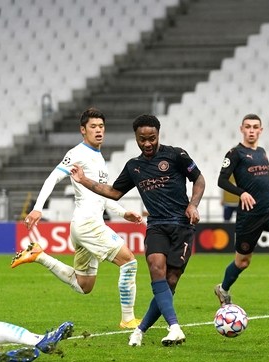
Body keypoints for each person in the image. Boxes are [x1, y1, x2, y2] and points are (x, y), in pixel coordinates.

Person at [70, 114, 205, 347]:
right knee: (155, 267)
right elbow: (113, 192)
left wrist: (193, 204)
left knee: (170, 281)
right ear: (136, 138)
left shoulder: (176, 155)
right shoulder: (134, 166)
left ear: (158, 135)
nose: (147, 143)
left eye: (151, 138)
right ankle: (174, 327)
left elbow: (199, 179)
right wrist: (83, 181)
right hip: (156, 226)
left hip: (182, 227)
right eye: (142, 139)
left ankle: (140, 331)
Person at [12, 108, 143, 330]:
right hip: (88, 224)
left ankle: (39, 256)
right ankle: (128, 319)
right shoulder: (78, 153)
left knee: (84, 285)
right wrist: (37, 208)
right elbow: (53, 177)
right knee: (129, 262)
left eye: (101, 126)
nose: (98, 130)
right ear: (83, 130)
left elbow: (101, 194)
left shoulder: (99, 158)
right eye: (93, 126)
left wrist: (122, 212)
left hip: (84, 226)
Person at [214, 114, 269, 309]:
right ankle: (223, 289)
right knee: (242, 262)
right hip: (249, 215)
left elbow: (264, 179)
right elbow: (221, 180)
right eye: (248, 127)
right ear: (242, 129)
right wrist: (242, 193)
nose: (252, 130)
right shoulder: (234, 153)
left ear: (261, 130)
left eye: (255, 127)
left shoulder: (262, 152)